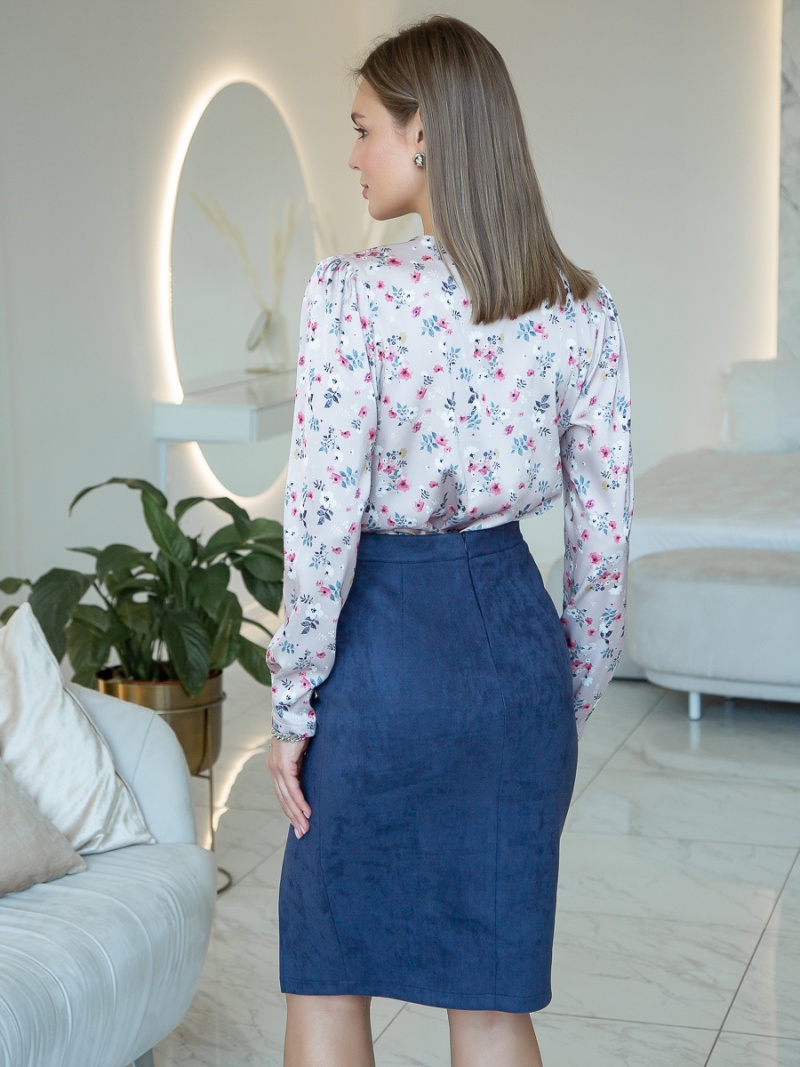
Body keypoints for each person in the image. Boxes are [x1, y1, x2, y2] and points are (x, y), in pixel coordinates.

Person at [266, 14, 632, 1067]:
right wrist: (564, 687)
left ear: (422, 133)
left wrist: (293, 702)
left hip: (378, 660)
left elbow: (322, 516)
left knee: (328, 976)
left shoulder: (350, 294)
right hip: (512, 653)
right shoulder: (580, 307)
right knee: (490, 997)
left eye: (363, 128)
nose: (353, 154)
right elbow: (604, 538)